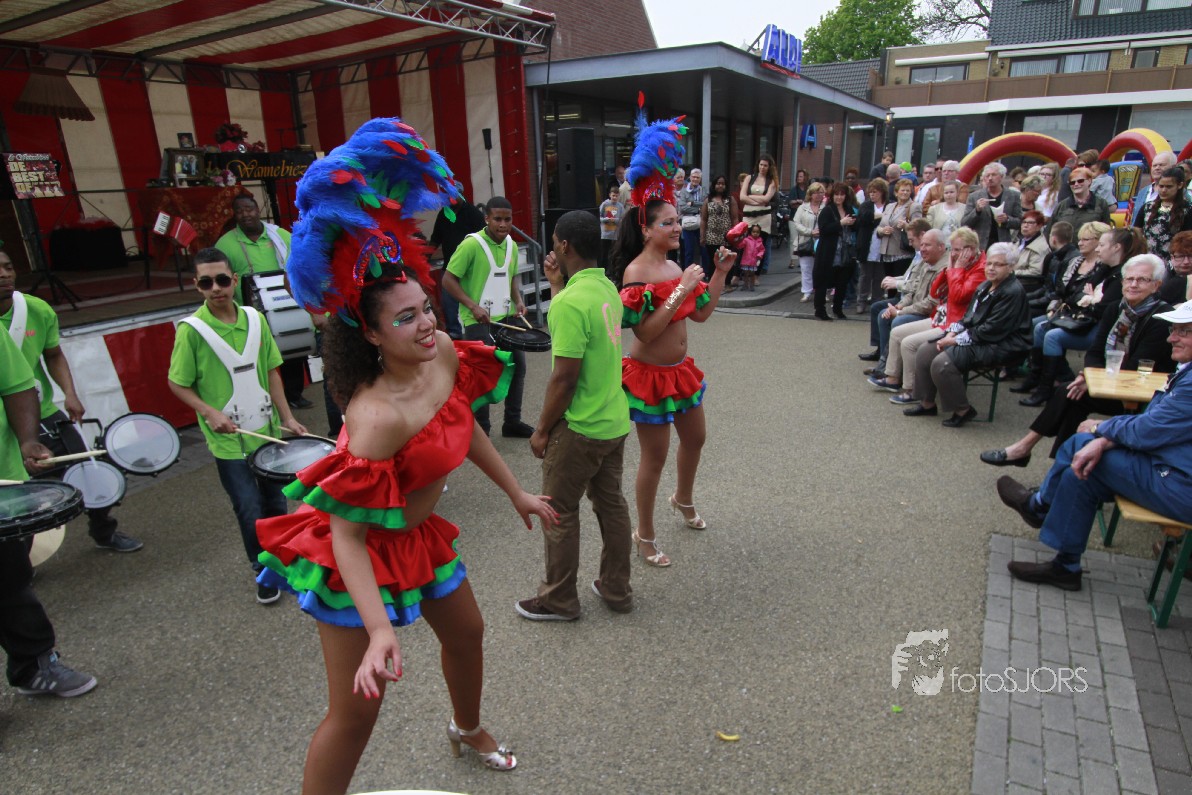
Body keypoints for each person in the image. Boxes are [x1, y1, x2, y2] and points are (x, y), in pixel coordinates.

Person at [255, 119, 556, 789]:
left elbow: (459, 426)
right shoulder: (374, 418)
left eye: (425, 306)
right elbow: (347, 535)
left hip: (416, 536)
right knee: (355, 714)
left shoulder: (441, 352)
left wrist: (515, 490)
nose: (427, 324)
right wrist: (379, 630)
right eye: (405, 317)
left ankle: (466, 728)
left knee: (467, 633)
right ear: (369, 333)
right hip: (355, 555)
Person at [612, 109, 735, 567]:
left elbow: (700, 315)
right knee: (654, 457)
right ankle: (643, 534)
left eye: (678, 220)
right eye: (667, 222)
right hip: (649, 376)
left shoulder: (673, 266)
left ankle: (682, 498)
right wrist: (681, 288)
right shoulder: (638, 272)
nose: (677, 227)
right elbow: (645, 331)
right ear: (645, 229)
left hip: (680, 372)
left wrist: (719, 274)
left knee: (696, 438)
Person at [999, 301, 1192, 593]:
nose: (1171, 338)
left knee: (1081, 446)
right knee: (1081, 471)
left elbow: (1148, 430)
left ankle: (1039, 506)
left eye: (1183, 331)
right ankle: (1065, 567)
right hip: (1169, 467)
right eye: (1173, 330)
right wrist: (1104, 437)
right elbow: (1155, 426)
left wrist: (1100, 429)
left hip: (1180, 485)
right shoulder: (1186, 371)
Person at [167, 248, 308, 604]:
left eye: (222, 280)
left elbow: (272, 371)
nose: (216, 288)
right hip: (229, 443)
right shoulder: (192, 331)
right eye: (206, 282)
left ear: (234, 280)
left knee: (275, 501)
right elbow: (177, 383)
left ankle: (280, 559)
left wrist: (287, 417)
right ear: (196, 285)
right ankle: (261, 570)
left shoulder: (255, 320)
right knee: (248, 506)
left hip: (266, 432)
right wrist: (209, 412)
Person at [519, 211, 633, 618]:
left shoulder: (569, 302)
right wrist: (555, 285)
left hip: (580, 427)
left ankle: (559, 598)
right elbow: (579, 328)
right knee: (611, 505)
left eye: (554, 242)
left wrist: (541, 430)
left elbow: (564, 379)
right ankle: (617, 589)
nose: (553, 249)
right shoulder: (606, 288)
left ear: (564, 245)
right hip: (613, 420)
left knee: (559, 510)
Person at [0, 248, 141, 551]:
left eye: (8, 266)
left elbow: (53, 355)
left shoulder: (36, 309)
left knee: (89, 470)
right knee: (16, 493)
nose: (4, 274)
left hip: (39, 411)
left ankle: (104, 531)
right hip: (2, 424)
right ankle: (23, 556)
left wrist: (70, 394)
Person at [982, 255, 1174, 466]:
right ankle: (1058, 466)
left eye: (1142, 279)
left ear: (1156, 285)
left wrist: (1093, 380)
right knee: (1071, 393)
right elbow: (1094, 352)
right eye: (1129, 279)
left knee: (1070, 392)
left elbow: (1136, 365)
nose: (1134, 284)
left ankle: (1029, 451)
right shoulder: (1116, 309)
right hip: (1110, 382)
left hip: (1142, 395)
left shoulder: (1163, 317)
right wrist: (1089, 377)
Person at [0, 331, 97, 698]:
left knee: (10, 579)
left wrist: (27, 439)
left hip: (3, 482)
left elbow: (17, 386)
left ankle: (34, 665)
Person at [903, 242, 1031, 427]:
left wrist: (955, 340)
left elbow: (992, 329)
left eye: (998, 264)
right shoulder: (986, 286)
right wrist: (952, 332)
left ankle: (963, 409)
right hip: (979, 336)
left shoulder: (1012, 292)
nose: (991, 268)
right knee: (925, 351)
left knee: (943, 363)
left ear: (1011, 267)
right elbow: (968, 317)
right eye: (989, 263)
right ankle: (927, 403)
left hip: (1002, 344)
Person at [1019, 227, 1145, 407]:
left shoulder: (1121, 276)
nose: (1098, 249)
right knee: (1040, 328)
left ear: (1116, 247)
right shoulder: (1103, 268)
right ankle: (1040, 377)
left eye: (1101, 245)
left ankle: (1046, 389)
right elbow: (1078, 295)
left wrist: (1090, 300)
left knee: (1052, 336)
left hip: (1101, 329)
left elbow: (1103, 310)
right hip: (1083, 319)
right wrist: (1091, 299)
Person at [441, 196, 535, 438]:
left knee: (518, 367)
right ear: (487, 219)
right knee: (483, 374)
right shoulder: (471, 245)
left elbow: (511, 277)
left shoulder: (512, 245)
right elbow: (448, 280)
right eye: (497, 219)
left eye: (507, 219)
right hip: (476, 320)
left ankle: (512, 422)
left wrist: (518, 300)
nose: (503, 225)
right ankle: (481, 428)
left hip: (507, 318)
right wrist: (472, 306)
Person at [215, 194, 312, 409]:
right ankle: (264, 400)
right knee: (258, 356)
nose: (245, 214)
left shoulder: (279, 235)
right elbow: (220, 276)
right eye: (239, 211)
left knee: (291, 348)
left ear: (257, 210)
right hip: (251, 310)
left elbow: (301, 259)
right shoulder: (225, 244)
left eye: (249, 209)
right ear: (234, 215)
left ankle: (294, 395)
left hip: (284, 303)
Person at [876, 228, 987, 403]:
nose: (953, 254)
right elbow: (937, 292)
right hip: (942, 317)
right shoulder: (957, 265)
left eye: (958, 250)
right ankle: (892, 377)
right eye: (953, 249)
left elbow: (958, 296)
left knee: (909, 343)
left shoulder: (979, 270)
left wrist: (956, 269)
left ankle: (912, 390)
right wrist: (950, 267)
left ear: (971, 250)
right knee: (897, 332)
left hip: (956, 324)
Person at [860, 223, 946, 379]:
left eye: (913, 240)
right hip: (914, 303)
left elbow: (928, 303)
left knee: (896, 320)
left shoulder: (940, 266)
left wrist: (900, 310)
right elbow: (914, 288)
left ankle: (891, 369)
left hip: (930, 314)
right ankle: (884, 359)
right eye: (922, 245)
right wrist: (899, 305)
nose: (914, 245)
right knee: (880, 310)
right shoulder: (925, 260)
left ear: (941, 247)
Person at [428, 196, 487, 339]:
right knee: (448, 303)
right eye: (448, 196)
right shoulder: (443, 214)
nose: (451, 199)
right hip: (450, 267)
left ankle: (477, 335)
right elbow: (435, 239)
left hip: (471, 270)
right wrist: (425, 258)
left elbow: (485, 239)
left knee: (473, 304)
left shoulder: (474, 213)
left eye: (454, 195)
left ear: (461, 195)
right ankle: (455, 334)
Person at [812, 182, 859, 321]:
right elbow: (823, 229)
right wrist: (840, 223)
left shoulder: (849, 208)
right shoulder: (827, 210)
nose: (839, 197)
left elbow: (855, 227)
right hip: (829, 251)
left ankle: (838, 309)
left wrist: (853, 223)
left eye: (842, 195)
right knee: (823, 281)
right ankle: (820, 310)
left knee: (842, 282)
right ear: (832, 196)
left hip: (846, 251)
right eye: (837, 195)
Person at [874, 177, 922, 303]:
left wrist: (906, 226)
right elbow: (879, 226)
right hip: (886, 251)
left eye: (908, 190)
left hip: (902, 252)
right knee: (889, 283)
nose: (905, 193)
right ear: (896, 192)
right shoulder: (889, 206)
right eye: (902, 190)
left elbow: (918, 228)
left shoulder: (914, 207)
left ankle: (897, 307)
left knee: (898, 285)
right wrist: (882, 230)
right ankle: (888, 307)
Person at [1135, 166, 1192, 266]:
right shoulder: (1147, 207)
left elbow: (1188, 239)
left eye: (1169, 187)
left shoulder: (1187, 210)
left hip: (1175, 262)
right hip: (1148, 261)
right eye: (1161, 186)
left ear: (1179, 185)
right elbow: (1137, 233)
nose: (1164, 190)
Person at [964, 163, 1022, 250]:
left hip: (1002, 245)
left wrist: (1007, 219)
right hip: (980, 245)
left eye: (994, 175)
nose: (990, 178)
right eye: (987, 175)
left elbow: (1020, 222)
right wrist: (977, 211)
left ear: (1002, 177)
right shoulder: (974, 196)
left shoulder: (1014, 195)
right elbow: (965, 223)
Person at [739, 154, 778, 275]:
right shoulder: (749, 178)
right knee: (744, 243)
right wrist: (757, 200)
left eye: (765, 165)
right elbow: (742, 197)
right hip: (749, 215)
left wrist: (750, 197)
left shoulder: (772, 181)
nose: (762, 167)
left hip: (764, 217)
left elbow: (767, 199)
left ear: (769, 167)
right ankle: (740, 273)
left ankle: (756, 274)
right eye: (761, 164)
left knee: (760, 245)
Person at [854, 178, 888, 314]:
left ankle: (876, 302)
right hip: (867, 246)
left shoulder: (889, 205)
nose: (872, 195)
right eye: (871, 192)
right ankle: (861, 301)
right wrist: (879, 215)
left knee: (879, 276)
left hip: (883, 247)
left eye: (875, 192)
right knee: (865, 276)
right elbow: (863, 218)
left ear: (882, 192)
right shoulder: (866, 205)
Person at [1050, 167, 1112, 238]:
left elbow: (1106, 231)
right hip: (1067, 245)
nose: (1076, 184)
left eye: (1080, 181)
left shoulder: (1101, 204)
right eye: (1072, 182)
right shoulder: (1062, 206)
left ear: (1089, 181)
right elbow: (1050, 231)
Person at [700, 174, 740, 283]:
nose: (720, 186)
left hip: (727, 237)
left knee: (727, 259)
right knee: (713, 261)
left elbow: (735, 218)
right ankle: (713, 284)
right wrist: (702, 236)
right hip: (711, 237)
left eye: (723, 184)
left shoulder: (730, 200)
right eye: (718, 183)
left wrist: (736, 235)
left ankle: (727, 283)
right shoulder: (707, 200)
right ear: (714, 185)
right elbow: (703, 219)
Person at [792, 182, 824, 302]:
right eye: (815, 192)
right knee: (806, 268)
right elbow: (797, 223)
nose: (818, 195)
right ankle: (806, 292)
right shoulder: (803, 207)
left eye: (821, 192)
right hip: (805, 241)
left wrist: (822, 231)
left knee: (821, 268)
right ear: (810, 194)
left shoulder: (826, 207)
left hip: (822, 241)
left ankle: (821, 291)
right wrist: (810, 232)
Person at [677, 168, 705, 270]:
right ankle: (687, 272)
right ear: (690, 177)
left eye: (698, 177)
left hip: (700, 221)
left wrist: (693, 203)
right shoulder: (684, 191)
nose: (695, 179)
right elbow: (683, 207)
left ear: (700, 179)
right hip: (688, 222)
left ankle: (705, 272)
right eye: (694, 177)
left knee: (703, 248)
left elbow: (705, 204)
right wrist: (698, 208)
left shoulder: (703, 190)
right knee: (688, 250)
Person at [598, 184, 626, 276]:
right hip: (605, 234)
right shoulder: (605, 204)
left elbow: (622, 219)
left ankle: (611, 271)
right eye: (613, 195)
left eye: (616, 196)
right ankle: (603, 270)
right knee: (604, 254)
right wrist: (606, 219)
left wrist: (616, 220)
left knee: (613, 254)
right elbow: (599, 217)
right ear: (610, 195)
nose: (615, 197)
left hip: (615, 235)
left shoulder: (620, 206)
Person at [1160, 230, 1192, 305]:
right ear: (1172, 258)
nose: (1186, 262)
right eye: (1180, 256)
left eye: (1191, 256)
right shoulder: (1163, 281)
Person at [738, 224, 764, 292]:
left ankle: (751, 285)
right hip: (746, 260)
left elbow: (762, 250)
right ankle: (745, 284)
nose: (755, 233)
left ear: (759, 233)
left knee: (752, 274)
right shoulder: (746, 240)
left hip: (754, 261)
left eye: (757, 232)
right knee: (745, 273)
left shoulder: (760, 242)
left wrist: (759, 256)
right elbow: (740, 246)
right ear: (750, 232)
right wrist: (740, 240)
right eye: (754, 232)